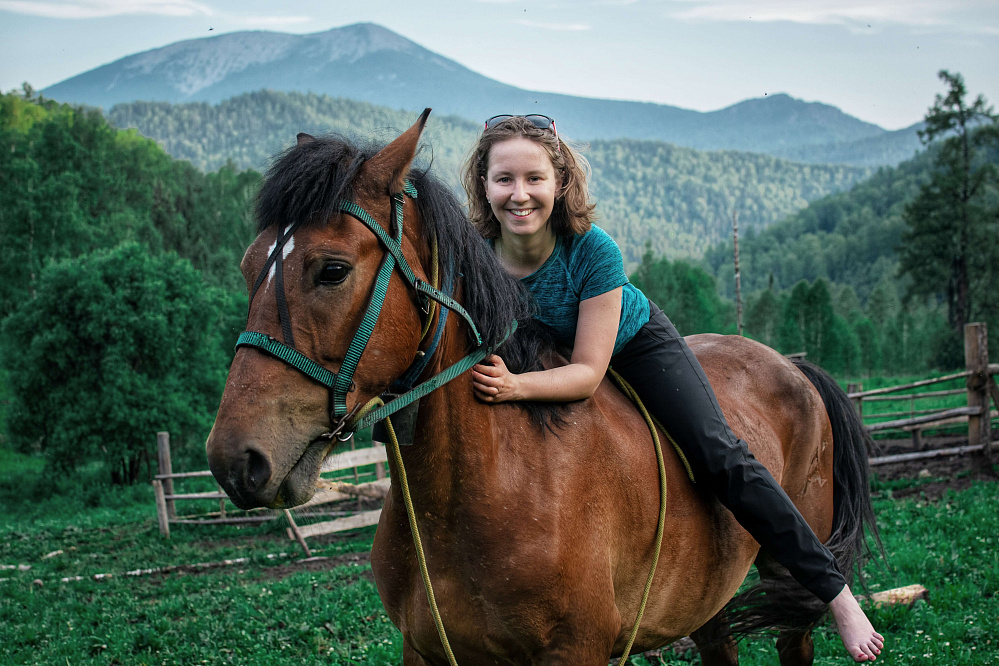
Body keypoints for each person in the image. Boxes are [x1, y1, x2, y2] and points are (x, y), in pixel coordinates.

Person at [461, 114, 884, 662]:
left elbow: (589, 374)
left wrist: (515, 386)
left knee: (720, 454)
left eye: (534, 178)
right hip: (541, 361)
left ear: (560, 183)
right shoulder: (473, 257)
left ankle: (838, 596)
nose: (519, 194)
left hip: (630, 348)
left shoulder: (591, 251)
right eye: (504, 179)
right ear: (483, 185)